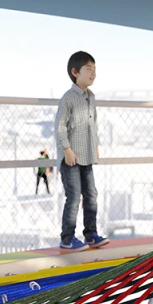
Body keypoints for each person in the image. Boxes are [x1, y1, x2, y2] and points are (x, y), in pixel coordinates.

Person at [56, 51, 107, 250]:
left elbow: (93, 125)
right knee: (74, 196)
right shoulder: (68, 98)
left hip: (87, 156)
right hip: (71, 158)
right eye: (89, 69)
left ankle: (91, 234)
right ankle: (67, 237)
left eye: (94, 70)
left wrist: (95, 146)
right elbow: (60, 126)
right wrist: (67, 150)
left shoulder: (91, 97)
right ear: (75, 72)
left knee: (91, 194)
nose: (93, 73)